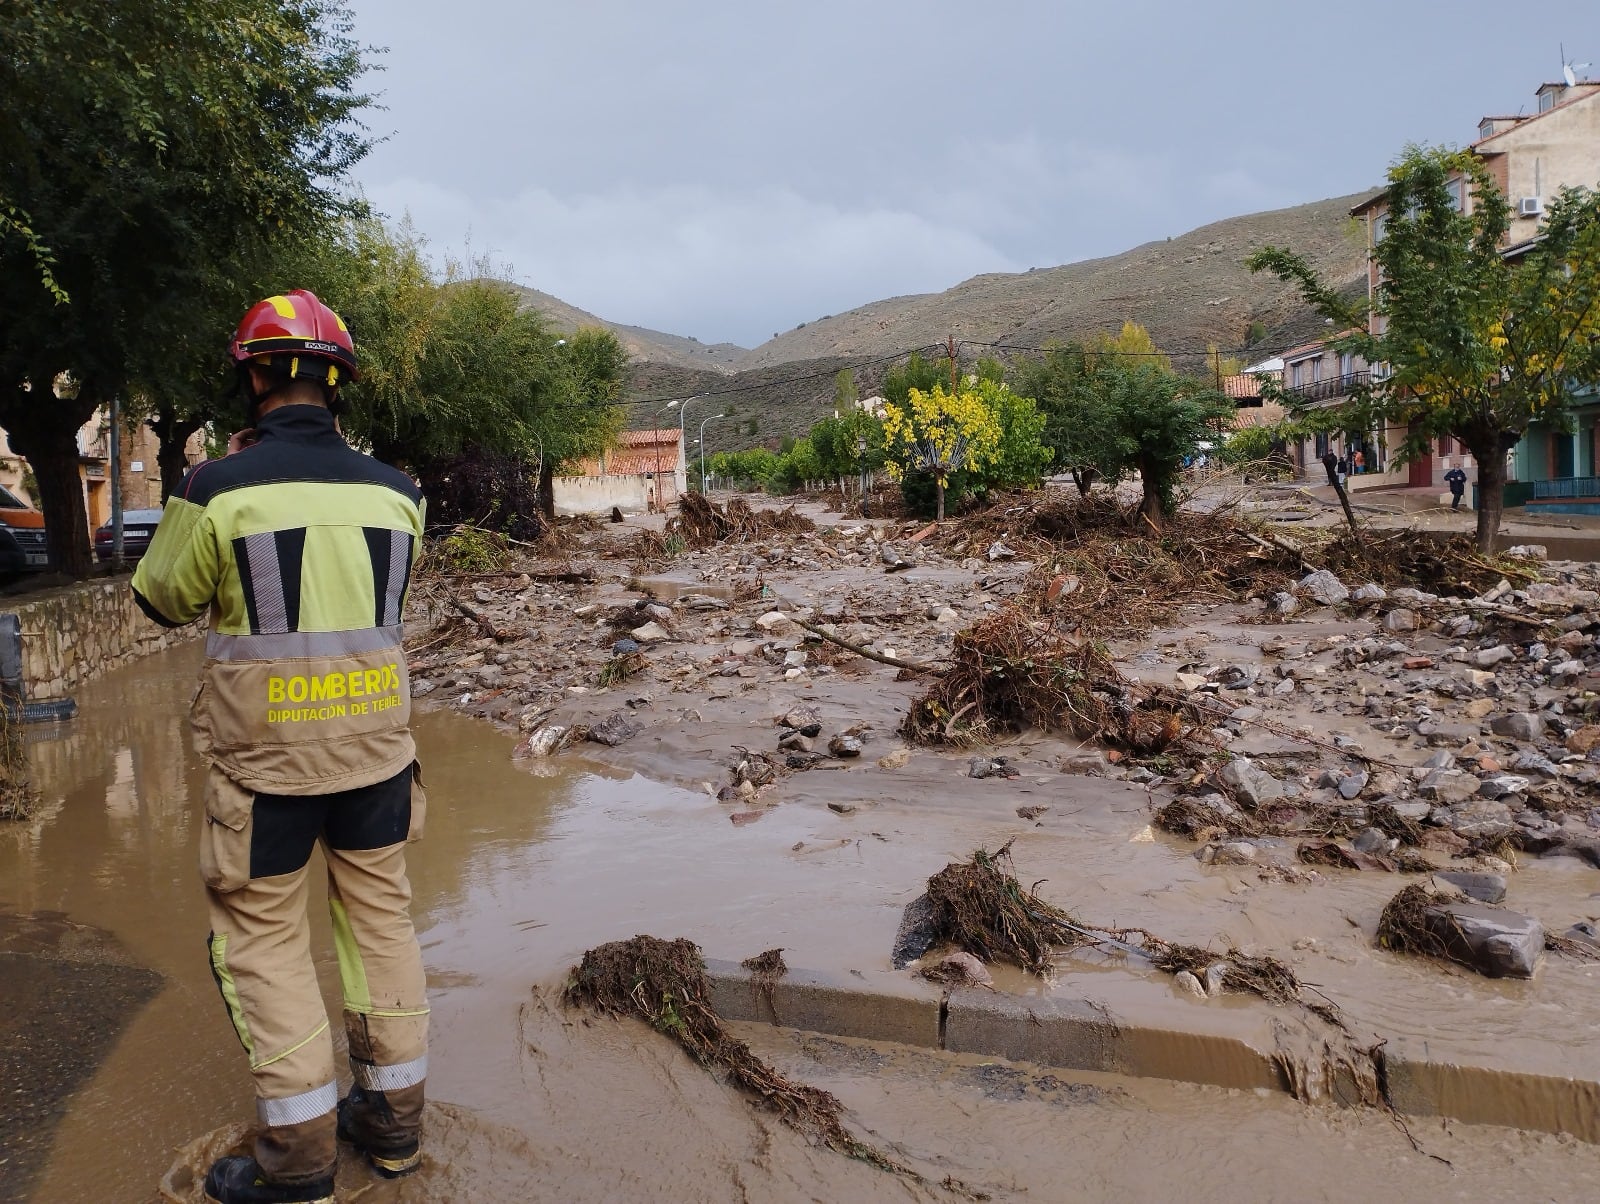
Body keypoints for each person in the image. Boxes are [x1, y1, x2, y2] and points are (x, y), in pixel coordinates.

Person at [132, 291, 429, 1204]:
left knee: (264, 942)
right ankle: (391, 1129)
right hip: (379, 754)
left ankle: (298, 1165)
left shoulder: (217, 490)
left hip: (265, 769)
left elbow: (162, 598)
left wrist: (206, 497)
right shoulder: (401, 492)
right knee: (381, 926)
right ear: (335, 385)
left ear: (255, 377)